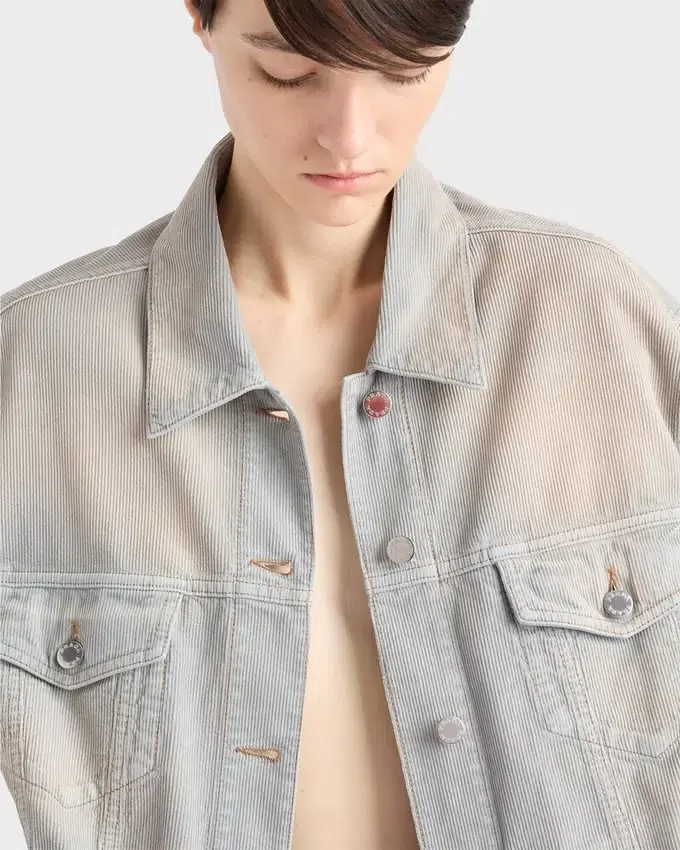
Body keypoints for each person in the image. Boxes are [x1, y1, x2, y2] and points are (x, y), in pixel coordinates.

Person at [2, 0, 679, 848]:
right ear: (200, 18)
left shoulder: (602, 324)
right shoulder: (35, 369)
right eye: (289, 71)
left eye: (402, 70)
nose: (350, 136)